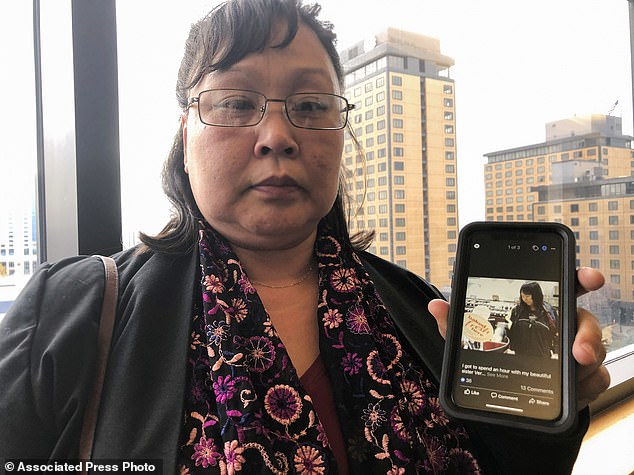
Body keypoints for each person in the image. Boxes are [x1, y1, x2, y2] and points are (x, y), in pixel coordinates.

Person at [0, 0, 610, 473]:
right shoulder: (67, 317)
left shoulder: (424, 311)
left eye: (312, 105)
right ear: (185, 136)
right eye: (237, 102)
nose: (277, 135)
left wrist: (546, 408)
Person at [508, 282, 559, 358]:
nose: (524, 299)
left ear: (536, 295)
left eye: (527, 296)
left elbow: (556, 332)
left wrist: (556, 351)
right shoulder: (517, 310)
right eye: (522, 296)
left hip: (541, 356)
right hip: (520, 354)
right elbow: (512, 330)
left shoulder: (549, 311)